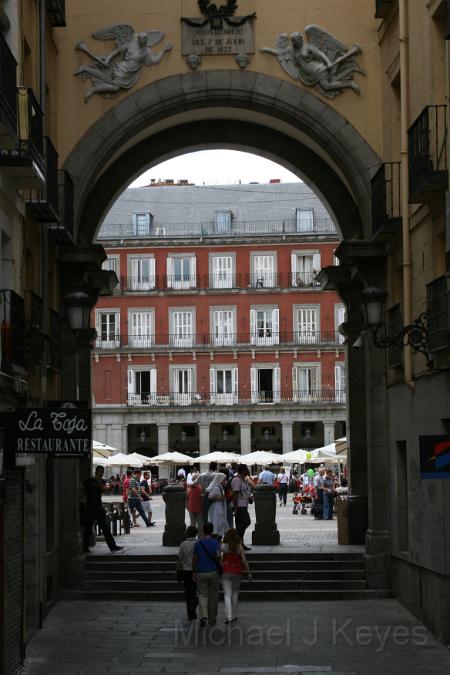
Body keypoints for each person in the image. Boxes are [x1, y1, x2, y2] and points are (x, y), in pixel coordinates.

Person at [82, 465, 123, 554]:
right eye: (100, 472)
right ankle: (85, 548)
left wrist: (99, 482)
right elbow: (83, 491)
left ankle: (113, 547)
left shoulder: (102, 481)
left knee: (105, 527)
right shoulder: (89, 480)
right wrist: (84, 501)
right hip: (90, 507)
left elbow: (104, 491)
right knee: (88, 528)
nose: (101, 473)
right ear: (96, 471)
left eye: (102, 472)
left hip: (99, 506)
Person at [192, 521, 221, 627]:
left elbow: (194, 559)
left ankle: (204, 615)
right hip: (213, 571)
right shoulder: (215, 543)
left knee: (202, 595)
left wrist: (194, 571)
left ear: (203, 530)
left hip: (201, 571)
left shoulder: (198, 544)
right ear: (212, 530)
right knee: (213, 595)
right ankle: (212, 618)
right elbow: (218, 556)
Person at [221, 528, 252, 624]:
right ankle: (234, 615)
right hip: (238, 572)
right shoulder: (239, 547)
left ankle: (229, 616)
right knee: (235, 593)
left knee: (227, 594)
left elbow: (220, 560)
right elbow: (244, 560)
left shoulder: (223, 546)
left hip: (226, 572)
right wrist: (249, 572)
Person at [177, 525, 198, 621]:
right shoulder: (199, 543)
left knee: (188, 592)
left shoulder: (183, 544)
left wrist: (177, 570)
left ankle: (190, 612)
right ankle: (194, 606)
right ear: (196, 533)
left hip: (186, 571)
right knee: (195, 591)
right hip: (196, 571)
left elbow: (179, 559)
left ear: (187, 533)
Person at [231, 464, 253, 551]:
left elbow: (244, 492)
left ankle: (240, 544)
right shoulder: (236, 480)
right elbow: (235, 494)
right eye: (247, 469)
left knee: (240, 525)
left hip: (244, 505)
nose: (248, 471)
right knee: (246, 521)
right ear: (243, 470)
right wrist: (235, 508)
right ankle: (235, 538)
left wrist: (249, 498)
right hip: (240, 506)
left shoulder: (243, 480)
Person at [206, 473, 228, 538]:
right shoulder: (216, 487)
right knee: (217, 524)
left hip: (219, 509)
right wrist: (220, 498)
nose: (225, 481)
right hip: (216, 509)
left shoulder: (220, 487)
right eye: (224, 480)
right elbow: (210, 497)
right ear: (220, 480)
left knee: (219, 524)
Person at [186, 473, 203, 537]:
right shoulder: (201, 487)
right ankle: (200, 537)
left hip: (191, 507)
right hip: (199, 507)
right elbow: (202, 498)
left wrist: (187, 506)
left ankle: (192, 536)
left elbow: (187, 498)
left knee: (192, 523)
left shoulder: (189, 487)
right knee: (200, 523)